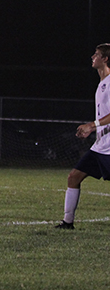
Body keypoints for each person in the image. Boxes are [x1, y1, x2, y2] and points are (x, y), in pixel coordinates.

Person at [56, 44, 110, 229]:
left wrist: (92, 125)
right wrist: (92, 130)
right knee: (73, 177)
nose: (92, 57)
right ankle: (67, 222)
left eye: (96, 54)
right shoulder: (102, 83)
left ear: (105, 59)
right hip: (100, 146)